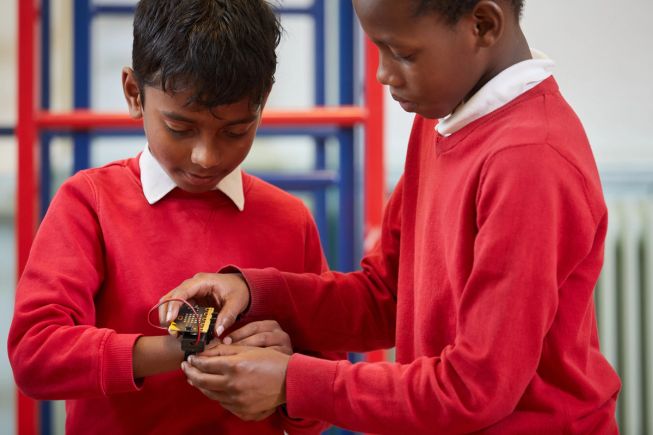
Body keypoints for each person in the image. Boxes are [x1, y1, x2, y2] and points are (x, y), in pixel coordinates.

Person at [161, 0, 622, 433]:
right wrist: (254, 292)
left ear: (482, 24)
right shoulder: (443, 117)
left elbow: (474, 389)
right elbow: (386, 296)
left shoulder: (530, 160)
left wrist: (294, 382)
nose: (383, 74)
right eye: (377, 48)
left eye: (402, 53)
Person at [8, 1, 338, 433]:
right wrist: (185, 346)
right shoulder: (88, 203)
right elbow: (36, 356)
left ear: (263, 103)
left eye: (235, 131)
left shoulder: (290, 219)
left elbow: (320, 406)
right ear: (133, 93)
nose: (205, 156)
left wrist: (287, 376)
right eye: (180, 128)